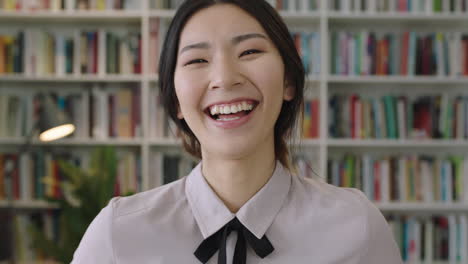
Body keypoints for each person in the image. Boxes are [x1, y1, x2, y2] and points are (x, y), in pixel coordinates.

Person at [71, 0, 403, 263]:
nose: (225, 77)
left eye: (250, 52)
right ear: (175, 102)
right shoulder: (118, 233)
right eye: (197, 60)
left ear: (288, 81)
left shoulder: (357, 226)